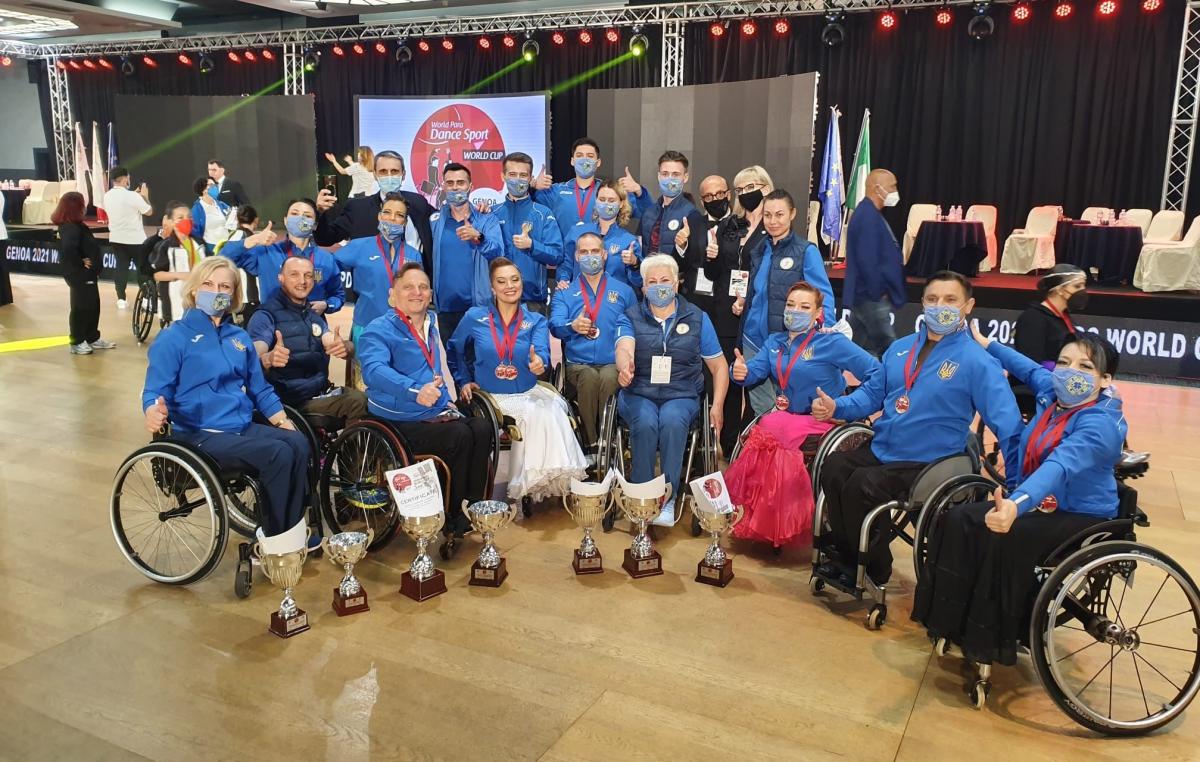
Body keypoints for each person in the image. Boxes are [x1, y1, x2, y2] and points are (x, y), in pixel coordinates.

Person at [912, 329, 1126, 667]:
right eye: (1064, 363)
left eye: (1085, 367)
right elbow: (1028, 369)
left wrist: (1016, 503)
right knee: (955, 519)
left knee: (1002, 537)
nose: (1071, 372)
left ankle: (989, 637)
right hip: (1038, 502)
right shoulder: (1053, 396)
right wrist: (989, 345)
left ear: (1105, 379)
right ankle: (948, 622)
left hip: (1079, 514)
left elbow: (1058, 466)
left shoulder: (1101, 424)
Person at [810, 271, 1024, 587]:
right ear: (922, 303)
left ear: (968, 306)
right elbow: (873, 394)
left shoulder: (977, 361)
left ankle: (872, 566)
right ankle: (848, 554)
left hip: (930, 461)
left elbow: (1008, 425)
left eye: (950, 300)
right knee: (833, 466)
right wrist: (837, 408)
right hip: (885, 447)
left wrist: (1018, 489)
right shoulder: (900, 348)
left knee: (861, 485)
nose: (940, 307)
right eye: (933, 299)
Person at [142, 256, 310, 541]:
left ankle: (292, 531)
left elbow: (260, 389)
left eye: (225, 287)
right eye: (208, 284)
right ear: (194, 290)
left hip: (238, 426)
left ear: (233, 295)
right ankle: (276, 539)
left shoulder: (239, 338)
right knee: (277, 453)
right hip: (198, 432)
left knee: (298, 442)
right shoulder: (174, 338)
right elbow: (154, 390)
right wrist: (151, 411)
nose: (217, 292)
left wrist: (281, 421)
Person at [725, 282, 880, 548]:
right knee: (765, 425)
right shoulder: (775, 341)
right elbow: (754, 371)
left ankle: (781, 519)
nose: (795, 311)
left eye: (804, 307)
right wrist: (738, 372)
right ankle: (755, 514)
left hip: (823, 419)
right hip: (786, 415)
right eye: (790, 305)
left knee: (774, 429)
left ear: (818, 312)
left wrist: (845, 405)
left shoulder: (831, 342)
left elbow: (875, 371)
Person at [358, 262, 494, 540]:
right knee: (458, 435)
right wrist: (412, 390)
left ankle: (474, 503)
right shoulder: (379, 329)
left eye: (422, 287)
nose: (416, 293)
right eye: (408, 287)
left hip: (433, 410)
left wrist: (447, 400)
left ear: (430, 294)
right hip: (397, 417)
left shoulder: (431, 325)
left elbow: (435, 371)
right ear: (392, 294)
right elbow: (374, 371)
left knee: (481, 428)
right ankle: (452, 514)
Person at [449, 258, 588, 501]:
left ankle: (543, 483)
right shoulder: (475, 317)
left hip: (528, 389)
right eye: (501, 282)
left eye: (514, 280)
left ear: (521, 283)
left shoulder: (536, 321)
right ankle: (531, 483)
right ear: (492, 287)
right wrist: (463, 380)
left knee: (553, 409)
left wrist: (539, 363)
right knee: (537, 413)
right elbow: (455, 350)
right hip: (492, 397)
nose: (509, 286)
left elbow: (542, 352)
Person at [615, 254, 729, 524]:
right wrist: (625, 366)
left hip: (681, 393)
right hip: (638, 391)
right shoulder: (630, 316)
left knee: (672, 421)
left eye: (665, 280)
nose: (659, 286)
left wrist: (718, 405)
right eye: (651, 282)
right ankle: (643, 497)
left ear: (677, 284)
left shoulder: (698, 318)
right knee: (644, 422)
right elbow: (623, 346)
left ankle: (667, 498)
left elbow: (720, 367)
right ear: (643, 288)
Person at [739, 190, 836, 416]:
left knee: (790, 408)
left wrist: (824, 330)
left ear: (792, 214)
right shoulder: (759, 250)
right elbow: (757, 291)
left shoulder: (806, 251)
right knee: (764, 411)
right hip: (753, 341)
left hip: (786, 342)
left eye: (779, 215)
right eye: (768, 215)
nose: (773, 221)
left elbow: (822, 296)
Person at [247, 256, 368, 420]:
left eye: (308, 275)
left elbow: (333, 341)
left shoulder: (312, 315)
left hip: (319, 392)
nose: (302, 281)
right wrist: (268, 358)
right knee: (358, 402)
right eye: (294, 274)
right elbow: (254, 355)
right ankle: (355, 446)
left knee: (368, 398)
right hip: (289, 402)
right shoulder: (265, 316)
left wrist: (346, 347)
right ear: (281, 278)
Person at [549, 232, 639, 451]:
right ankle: (591, 442)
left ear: (605, 254)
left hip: (612, 362)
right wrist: (572, 326)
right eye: (584, 252)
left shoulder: (624, 291)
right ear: (577, 257)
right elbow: (555, 324)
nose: (590, 256)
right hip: (579, 365)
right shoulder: (565, 293)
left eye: (595, 251)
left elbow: (636, 329)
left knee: (609, 376)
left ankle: (607, 439)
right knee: (589, 377)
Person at [709, 166, 774, 453]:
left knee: (755, 378)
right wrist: (710, 256)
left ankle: (755, 444)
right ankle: (729, 443)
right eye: (741, 189)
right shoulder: (730, 225)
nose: (746, 193)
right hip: (725, 310)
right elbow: (715, 272)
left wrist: (747, 298)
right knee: (729, 376)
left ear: (765, 187)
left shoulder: (773, 226)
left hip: (755, 312)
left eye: (751, 187)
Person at [222, 198, 345, 315]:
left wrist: (327, 305)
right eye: (295, 214)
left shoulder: (326, 259)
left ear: (315, 225)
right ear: (286, 220)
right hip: (273, 327)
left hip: (312, 328)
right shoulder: (266, 253)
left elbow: (338, 296)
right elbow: (222, 259)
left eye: (307, 216)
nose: (300, 218)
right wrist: (252, 240)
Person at [314, 149, 434, 264]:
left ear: (403, 174)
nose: (389, 176)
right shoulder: (357, 208)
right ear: (375, 175)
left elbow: (440, 221)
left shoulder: (419, 203)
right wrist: (319, 213)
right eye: (383, 171)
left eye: (394, 171)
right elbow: (326, 239)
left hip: (415, 279)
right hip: (373, 281)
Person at [332, 193, 422, 347]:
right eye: (387, 212)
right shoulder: (359, 246)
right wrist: (329, 300)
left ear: (405, 222)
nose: (392, 218)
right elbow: (328, 268)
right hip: (366, 326)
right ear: (379, 216)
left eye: (399, 215)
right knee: (364, 370)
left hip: (402, 329)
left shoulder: (413, 255)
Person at [429, 162, 504, 341]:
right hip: (445, 308)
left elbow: (498, 252)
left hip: (478, 307)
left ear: (470, 186)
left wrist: (479, 237)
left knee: (479, 363)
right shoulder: (434, 221)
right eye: (450, 183)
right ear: (443, 186)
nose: (455, 188)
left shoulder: (486, 219)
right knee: (453, 363)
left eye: (460, 183)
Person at [490, 151, 563, 314]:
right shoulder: (491, 214)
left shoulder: (543, 214)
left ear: (531, 179)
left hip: (532, 301)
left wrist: (532, 245)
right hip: (497, 300)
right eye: (512, 174)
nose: (518, 179)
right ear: (503, 176)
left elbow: (557, 254)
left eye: (523, 175)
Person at [844, 168, 906, 358]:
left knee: (860, 349)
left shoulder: (870, 214)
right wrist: (878, 291)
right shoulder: (867, 217)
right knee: (890, 348)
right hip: (870, 296)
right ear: (878, 188)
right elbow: (867, 261)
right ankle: (899, 383)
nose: (896, 191)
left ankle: (853, 383)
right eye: (892, 186)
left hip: (866, 295)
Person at [531, 137, 650, 235]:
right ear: (572, 161)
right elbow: (525, 208)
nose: (585, 160)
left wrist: (639, 191)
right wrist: (533, 187)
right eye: (579, 155)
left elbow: (649, 214)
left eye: (590, 156)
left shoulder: (611, 192)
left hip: (601, 256)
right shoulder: (555, 191)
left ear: (598, 162)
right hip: (565, 259)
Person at [639, 151, 710, 302]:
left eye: (675, 174)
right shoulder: (648, 213)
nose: (669, 179)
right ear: (659, 176)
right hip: (648, 289)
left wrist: (682, 246)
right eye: (665, 173)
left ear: (685, 177)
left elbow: (697, 260)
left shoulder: (692, 215)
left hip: (676, 293)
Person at [54, 192, 115, 354]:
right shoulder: (69, 227)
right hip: (79, 274)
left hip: (88, 274)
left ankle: (92, 337)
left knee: (93, 304)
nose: (85, 206)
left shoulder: (77, 225)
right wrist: (80, 262)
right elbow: (68, 249)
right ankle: (77, 340)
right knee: (81, 306)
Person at [556, 180, 643, 289]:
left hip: (613, 301)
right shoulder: (577, 233)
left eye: (611, 200)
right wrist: (563, 279)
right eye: (602, 199)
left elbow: (638, 282)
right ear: (596, 201)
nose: (606, 204)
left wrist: (635, 264)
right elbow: (566, 264)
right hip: (580, 299)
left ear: (621, 204)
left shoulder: (628, 241)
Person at [143, 201, 202, 326]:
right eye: (180, 218)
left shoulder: (199, 243)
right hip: (176, 301)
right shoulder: (166, 246)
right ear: (170, 221)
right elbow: (157, 275)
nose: (186, 220)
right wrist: (181, 275)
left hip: (198, 299)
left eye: (189, 217)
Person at [103, 166, 153, 309]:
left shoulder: (107, 196)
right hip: (136, 239)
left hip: (117, 238)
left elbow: (124, 202)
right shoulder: (133, 196)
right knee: (142, 269)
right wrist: (144, 196)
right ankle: (145, 299)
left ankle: (121, 299)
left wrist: (136, 196)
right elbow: (149, 211)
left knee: (121, 268)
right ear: (125, 178)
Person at [191, 177, 235, 255]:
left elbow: (232, 222)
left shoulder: (221, 205)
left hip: (226, 245)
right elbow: (195, 233)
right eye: (211, 185)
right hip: (210, 248)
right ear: (203, 189)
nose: (214, 187)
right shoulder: (197, 210)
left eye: (215, 185)